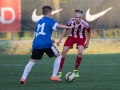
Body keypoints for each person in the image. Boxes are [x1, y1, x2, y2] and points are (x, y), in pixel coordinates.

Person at [20, 5, 74, 84]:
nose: (51, 14)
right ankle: (54, 76)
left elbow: (37, 34)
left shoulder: (39, 21)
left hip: (37, 43)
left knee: (31, 61)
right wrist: (69, 27)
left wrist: (49, 39)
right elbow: (58, 26)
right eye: (51, 12)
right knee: (59, 56)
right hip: (46, 44)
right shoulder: (50, 20)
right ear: (49, 12)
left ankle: (23, 78)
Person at [57, 9, 91, 78]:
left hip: (81, 38)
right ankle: (59, 70)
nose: (78, 19)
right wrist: (60, 39)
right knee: (63, 53)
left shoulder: (85, 24)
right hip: (71, 37)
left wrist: (87, 42)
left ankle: (75, 70)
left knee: (80, 53)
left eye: (79, 17)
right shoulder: (71, 21)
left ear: (81, 17)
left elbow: (89, 32)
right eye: (76, 17)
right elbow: (65, 29)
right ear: (74, 17)